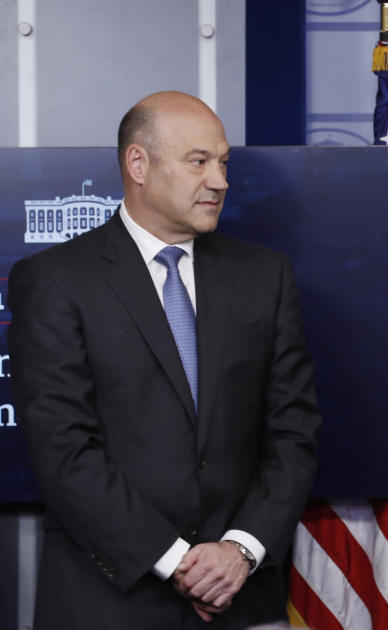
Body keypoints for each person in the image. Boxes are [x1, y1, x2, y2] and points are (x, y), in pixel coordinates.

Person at [9, 91, 323, 629]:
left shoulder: (263, 276)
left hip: (241, 599)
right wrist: (179, 562)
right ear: (139, 163)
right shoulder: (57, 280)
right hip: (108, 601)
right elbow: (63, 448)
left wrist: (239, 552)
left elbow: (294, 432)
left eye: (224, 163)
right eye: (199, 161)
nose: (220, 180)